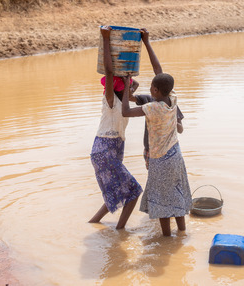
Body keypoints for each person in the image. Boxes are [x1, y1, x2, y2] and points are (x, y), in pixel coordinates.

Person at [121, 28, 192, 236]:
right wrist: (147, 42)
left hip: (160, 159)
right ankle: (182, 233)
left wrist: (126, 87)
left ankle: (167, 240)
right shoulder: (173, 99)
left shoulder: (153, 107)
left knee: (161, 201)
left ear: (154, 91)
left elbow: (125, 111)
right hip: (176, 155)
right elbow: (159, 72)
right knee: (175, 195)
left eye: (152, 86)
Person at [88, 26, 143, 229]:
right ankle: (120, 230)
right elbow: (110, 72)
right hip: (105, 151)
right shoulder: (111, 100)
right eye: (127, 86)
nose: (132, 87)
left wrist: (127, 77)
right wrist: (106, 39)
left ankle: (93, 223)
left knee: (118, 191)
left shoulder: (124, 101)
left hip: (109, 149)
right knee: (134, 191)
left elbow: (132, 85)